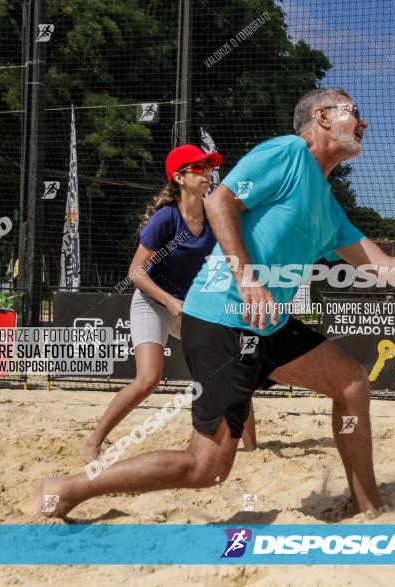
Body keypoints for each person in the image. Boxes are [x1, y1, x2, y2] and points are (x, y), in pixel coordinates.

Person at [33, 87, 395, 517]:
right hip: (222, 318)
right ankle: (68, 488)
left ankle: (368, 505)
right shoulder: (287, 152)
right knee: (207, 468)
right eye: (354, 113)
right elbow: (220, 202)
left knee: (351, 382)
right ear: (321, 117)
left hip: (266, 324)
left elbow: (383, 268)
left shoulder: (328, 202)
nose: (365, 124)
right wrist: (247, 278)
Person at [80, 144, 257, 464]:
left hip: (193, 306)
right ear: (179, 177)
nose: (207, 174)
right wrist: (169, 300)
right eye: (199, 169)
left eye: (209, 168)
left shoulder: (215, 214)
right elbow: (135, 272)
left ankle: (253, 451)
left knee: (231, 370)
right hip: (154, 302)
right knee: (148, 380)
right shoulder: (166, 219)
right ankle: (93, 442)